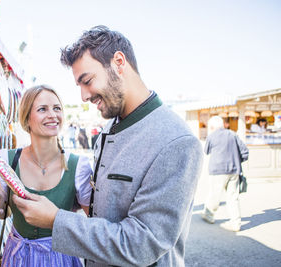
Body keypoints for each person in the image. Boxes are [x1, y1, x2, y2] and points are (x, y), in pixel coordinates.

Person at [12, 26, 203, 266]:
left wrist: (55, 220)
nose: (83, 96)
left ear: (119, 63)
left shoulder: (176, 141)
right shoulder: (109, 127)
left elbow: (142, 244)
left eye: (87, 81)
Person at [0, 85, 93, 266]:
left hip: (61, 258)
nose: (52, 115)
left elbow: (93, 222)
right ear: (27, 119)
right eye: (42, 109)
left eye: (57, 108)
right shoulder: (8, 159)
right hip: (19, 257)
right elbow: (2, 207)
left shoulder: (78, 165)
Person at [201, 116, 249, 232]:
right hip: (234, 170)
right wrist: (237, 161)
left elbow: (206, 151)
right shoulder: (232, 134)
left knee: (215, 195)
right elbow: (245, 152)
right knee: (233, 197)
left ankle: (209, 216)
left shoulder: (211, 136)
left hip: (218, 170)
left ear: (212, 127)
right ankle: (235, 223)